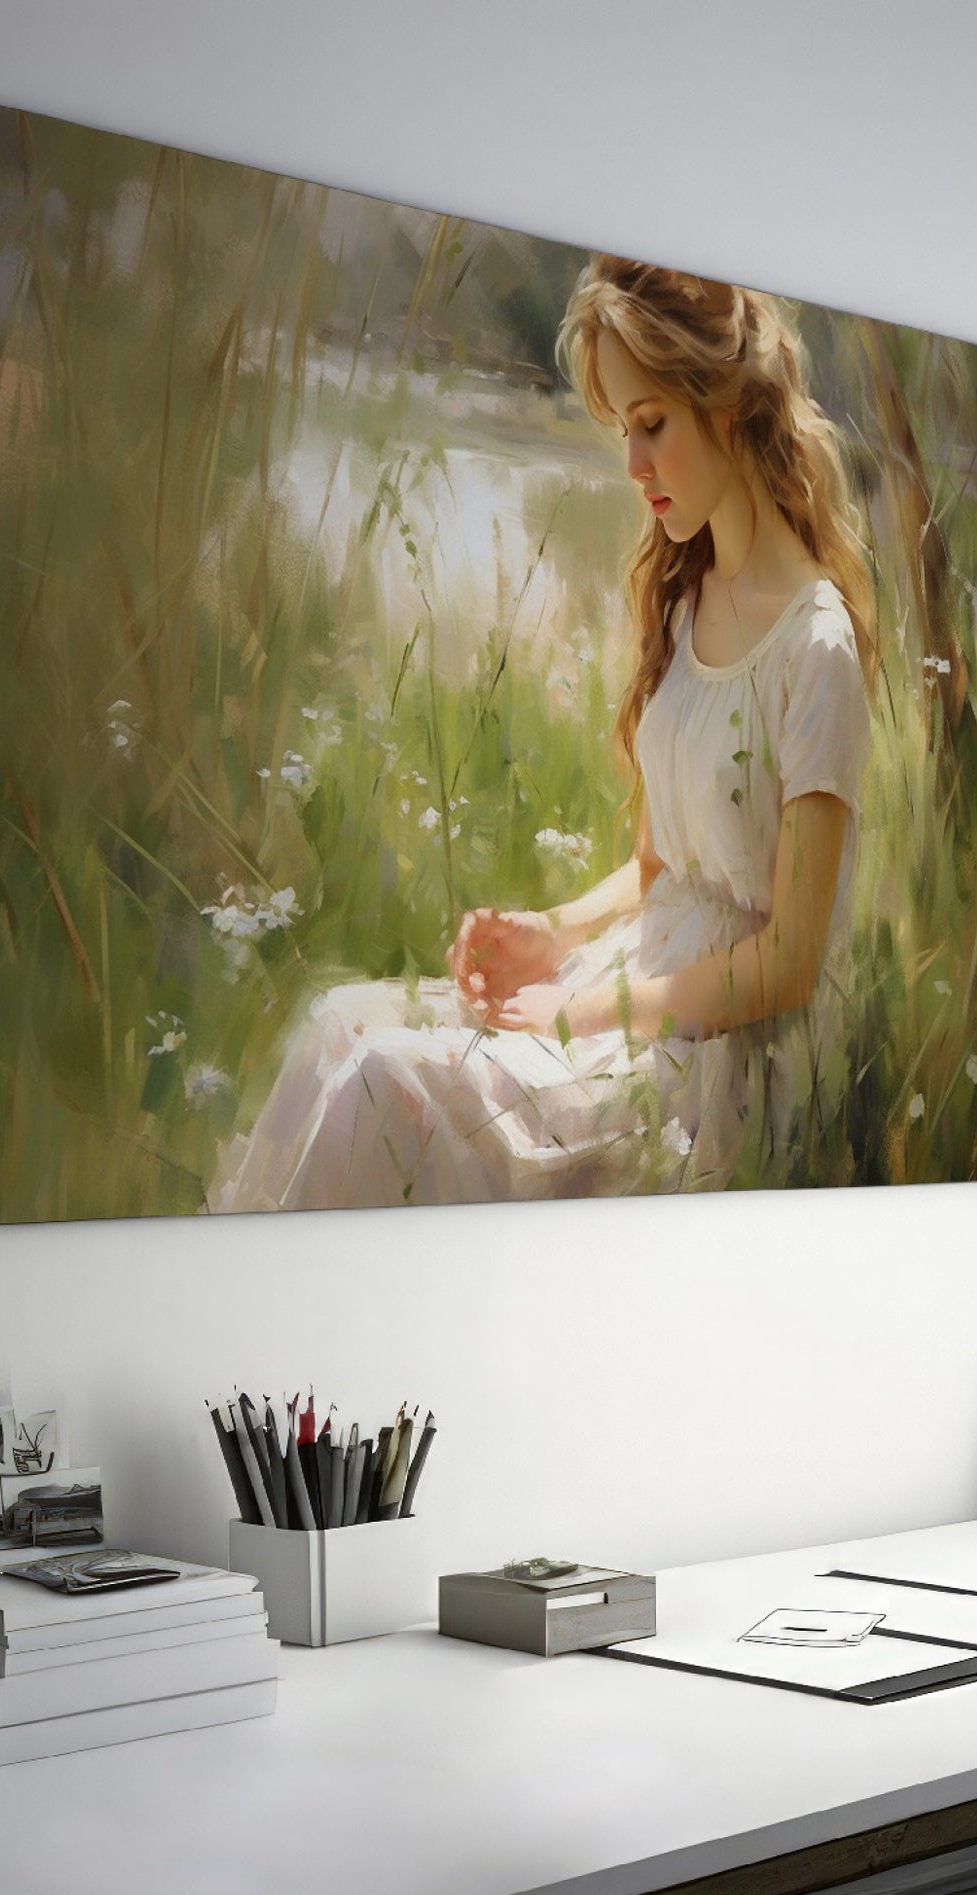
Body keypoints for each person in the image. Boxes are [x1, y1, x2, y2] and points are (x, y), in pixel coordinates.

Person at [211, 257, 875, 1213]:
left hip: (711, 1060)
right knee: (335, 1027)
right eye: (622, 433)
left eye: (652, 427)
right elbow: (662, 867)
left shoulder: (815, 644)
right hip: (627, 986)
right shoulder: (689, 607)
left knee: (381, 1085)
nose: (634, 467)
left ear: (726, 407)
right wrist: (552, 936)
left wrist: (582, 1008)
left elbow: (791, 960)